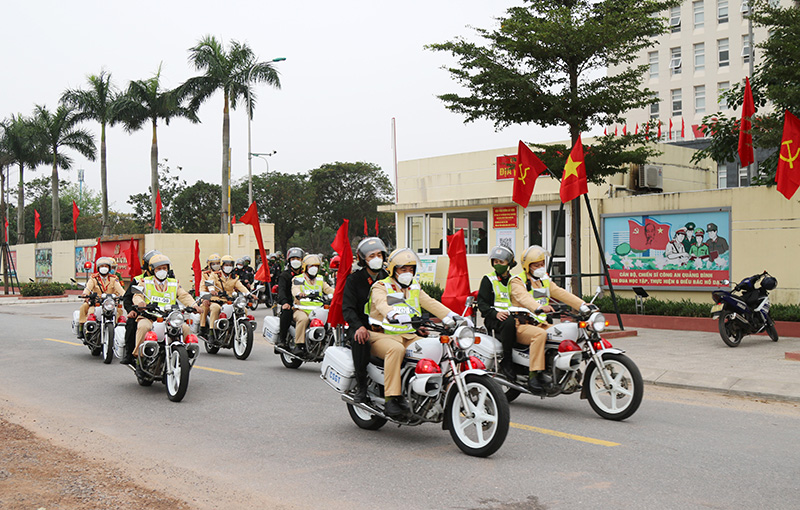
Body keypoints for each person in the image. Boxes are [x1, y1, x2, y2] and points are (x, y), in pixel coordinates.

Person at [368, 248, 463, 418]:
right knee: (395, 350)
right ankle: (391, 398)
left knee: (436, 347)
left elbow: (432, 303)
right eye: (403, 269)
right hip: (381, 335)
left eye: (411, 269)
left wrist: (454, 317)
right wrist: (393, 314)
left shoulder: (414, 287)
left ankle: (431, 390)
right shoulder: (381, 286)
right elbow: (381, 304)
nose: (408, 273)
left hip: (409, 336)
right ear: (393, 270)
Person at [509, 245, 588, 393]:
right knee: (540, 335)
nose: (540, 267)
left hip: (541, 323)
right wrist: (538, 308)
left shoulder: (544, 280)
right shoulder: (517, 281)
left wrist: (583, 305)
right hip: (521, 325)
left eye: (542, 264)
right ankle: (534, 376)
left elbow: (561, 293)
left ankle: (558, 370)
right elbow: (524, 298)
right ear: (527, 266)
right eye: (536, 265)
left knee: (561, 333)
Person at [342, 237, 389, 403]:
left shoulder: (388, 278)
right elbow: (347, 308)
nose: (376, 258)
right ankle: (361, 386)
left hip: (385, 326)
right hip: (361, 326)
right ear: (363, 260)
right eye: (371, 256)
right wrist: (359, 327)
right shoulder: (354, 280)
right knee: (361, 340)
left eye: (379, 254)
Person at [131, 254, 195, 357]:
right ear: (153, 270)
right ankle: (139, 357)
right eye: (159, 268)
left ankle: (186, 355)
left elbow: (184, 295)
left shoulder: (174, 283)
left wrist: (194, 305)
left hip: (169, 317)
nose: (162, 270)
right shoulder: (145, 282)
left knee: (185, 328)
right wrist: (140, 303)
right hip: (150, 316)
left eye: (164, 268)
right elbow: (137, 295)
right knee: (143, 327)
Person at [476, 245, 518, 380]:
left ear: (510, 264)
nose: (497, 264)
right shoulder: (488, 279)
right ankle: (507, 360)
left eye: (501, 262)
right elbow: (482, 303)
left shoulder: (515, 280)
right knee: (508, 322)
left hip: (514, 316)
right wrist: (495, 314)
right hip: (494, 319)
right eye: (495, 262)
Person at [120, 250, 160, 364]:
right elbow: (128, 298)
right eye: (157, 267)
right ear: (149, 266)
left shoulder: (168, 280)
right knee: (132, 324)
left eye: (163, 267)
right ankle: (130, 354)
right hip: (143, 312)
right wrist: (132, 310)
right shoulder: (139, 280)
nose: (161, 270)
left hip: (162, 313)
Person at [290, 254, 335, 355]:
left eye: (316, 266)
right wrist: (298, 294)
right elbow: (295, 289)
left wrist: (339, 293)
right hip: (301, 310)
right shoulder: (299, 278)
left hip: (318, 310)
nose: (314, 268)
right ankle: (299, 345)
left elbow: (328, 289)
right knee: (303, 319)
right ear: (305, 267)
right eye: (311, 266)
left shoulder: (320, 279)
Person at [202, 255, 250, 339]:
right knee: (215, 308)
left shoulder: (234, 277)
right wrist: (212, 290)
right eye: (226, 265)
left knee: (243, 309)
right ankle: (212, 333)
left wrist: (248, 293)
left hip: (229, 300)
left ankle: (242, 329)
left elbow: (240, 286)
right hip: (216, 300)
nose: (228, 267)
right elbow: (210, 283)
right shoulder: (214, 274)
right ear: (222, 266)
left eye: (230, 265)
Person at [77, 256, 125, 340]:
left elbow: (120, 290)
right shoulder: (93, 278)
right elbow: (88, 288)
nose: (104, 268)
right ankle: (86, 330)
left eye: (106, 266)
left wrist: (125, 296)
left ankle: (118, 333)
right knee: (88, 310)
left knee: (119, 312)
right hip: (97, 303)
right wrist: (85, 294)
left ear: (109, 268)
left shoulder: (114, 279)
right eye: (102, 266)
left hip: (110, 304)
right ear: (98, 268)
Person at [276, 247, 305, 349]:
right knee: (286, 313)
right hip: (290, 304)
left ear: (302, 260)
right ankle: (282, 339)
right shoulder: (285, 275)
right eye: (293, 259)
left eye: (298, 258)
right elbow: (282, 290)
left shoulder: (305, 275)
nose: (295, 261)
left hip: (305, 304)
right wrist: (284, 302)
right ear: (289, 260)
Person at [198, 253, 222, 338]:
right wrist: (205, 298)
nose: (216, 265)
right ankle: (203, 327)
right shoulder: (206, 274)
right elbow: (203, 287)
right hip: (210, 298)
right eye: (213, 264)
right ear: (209, 265)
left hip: (222, 298)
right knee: (205, 306)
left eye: (218, 263)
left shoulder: (222, 274)